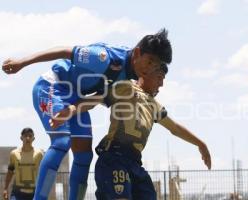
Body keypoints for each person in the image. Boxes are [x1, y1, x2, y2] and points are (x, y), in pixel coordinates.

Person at [2, 29, 172, 200]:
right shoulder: (105, 58)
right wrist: (21, 63)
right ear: (137, 53)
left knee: (84, 155)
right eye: (149, 62)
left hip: (76, 98)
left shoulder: (128, 79)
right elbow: (64, 51)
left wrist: (76, 108)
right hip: (53, 86)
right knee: (62, 141)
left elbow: (99, 97)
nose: (150, 69)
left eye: (155, 66)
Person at [50, 64, 211, 199]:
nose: (161, 84)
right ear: (145, 72)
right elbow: (96, 99)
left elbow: (174, 128)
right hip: (114, 158)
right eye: (159, 78)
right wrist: (71, 109)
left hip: (135, 163)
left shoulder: (154, 104)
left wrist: (200, 144)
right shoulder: (126, 87)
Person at [2, 128, 43, 200]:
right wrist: (5, 189)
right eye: (25, 136)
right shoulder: (14, 154)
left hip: (34, 192)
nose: (28, 138)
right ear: (21, 138)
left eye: (30, 136)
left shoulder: (39, 154)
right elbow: (10, 172)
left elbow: (44, 173)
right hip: (17, 192)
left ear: (33, 138)